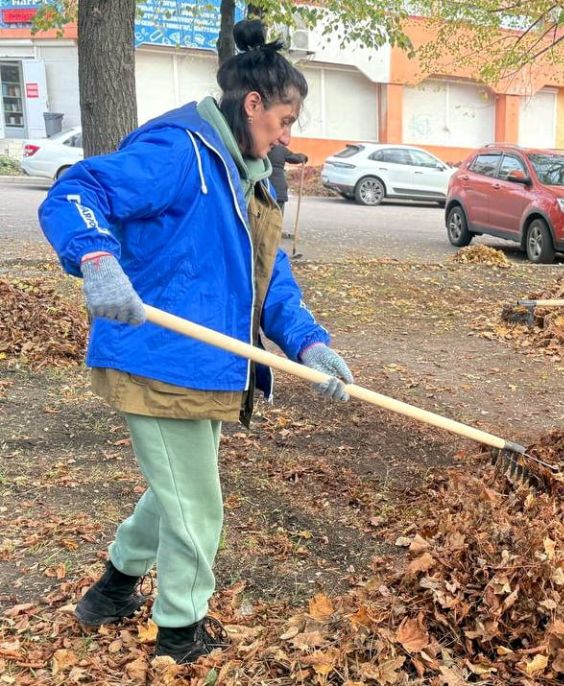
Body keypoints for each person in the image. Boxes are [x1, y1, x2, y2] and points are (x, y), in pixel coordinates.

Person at [38, 20, 354, 664]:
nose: (287, 136)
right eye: (284, 120)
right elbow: (78, 190)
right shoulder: (180, 151)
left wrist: (308, 343)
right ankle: (181, 632)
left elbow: (270, 274)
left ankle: (111, 590)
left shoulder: (251, 171)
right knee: (197, 506)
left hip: (212, 366)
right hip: (157, 358)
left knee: (175, 490)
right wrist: (96, 259)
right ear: (252, 105)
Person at [268, 142, 307, 215]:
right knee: (277, 216)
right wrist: (303, 157)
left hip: (263, 189)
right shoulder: (280, 149)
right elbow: (295, 158)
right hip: (279, 191)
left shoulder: (260, 147)